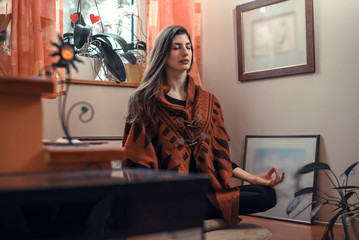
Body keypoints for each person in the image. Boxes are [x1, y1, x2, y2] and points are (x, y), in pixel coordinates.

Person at [122, 25, 285, 226]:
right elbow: (137, 160)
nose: (185, 52)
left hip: (208, 193)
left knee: (266, 195)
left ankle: (193, 219)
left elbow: (219, 157)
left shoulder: (209, 101)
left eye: (188, 47)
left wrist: (254, 179)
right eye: (176, 47)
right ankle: (202, 218)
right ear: (162, 53)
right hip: (169, 195)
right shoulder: (144, 101)